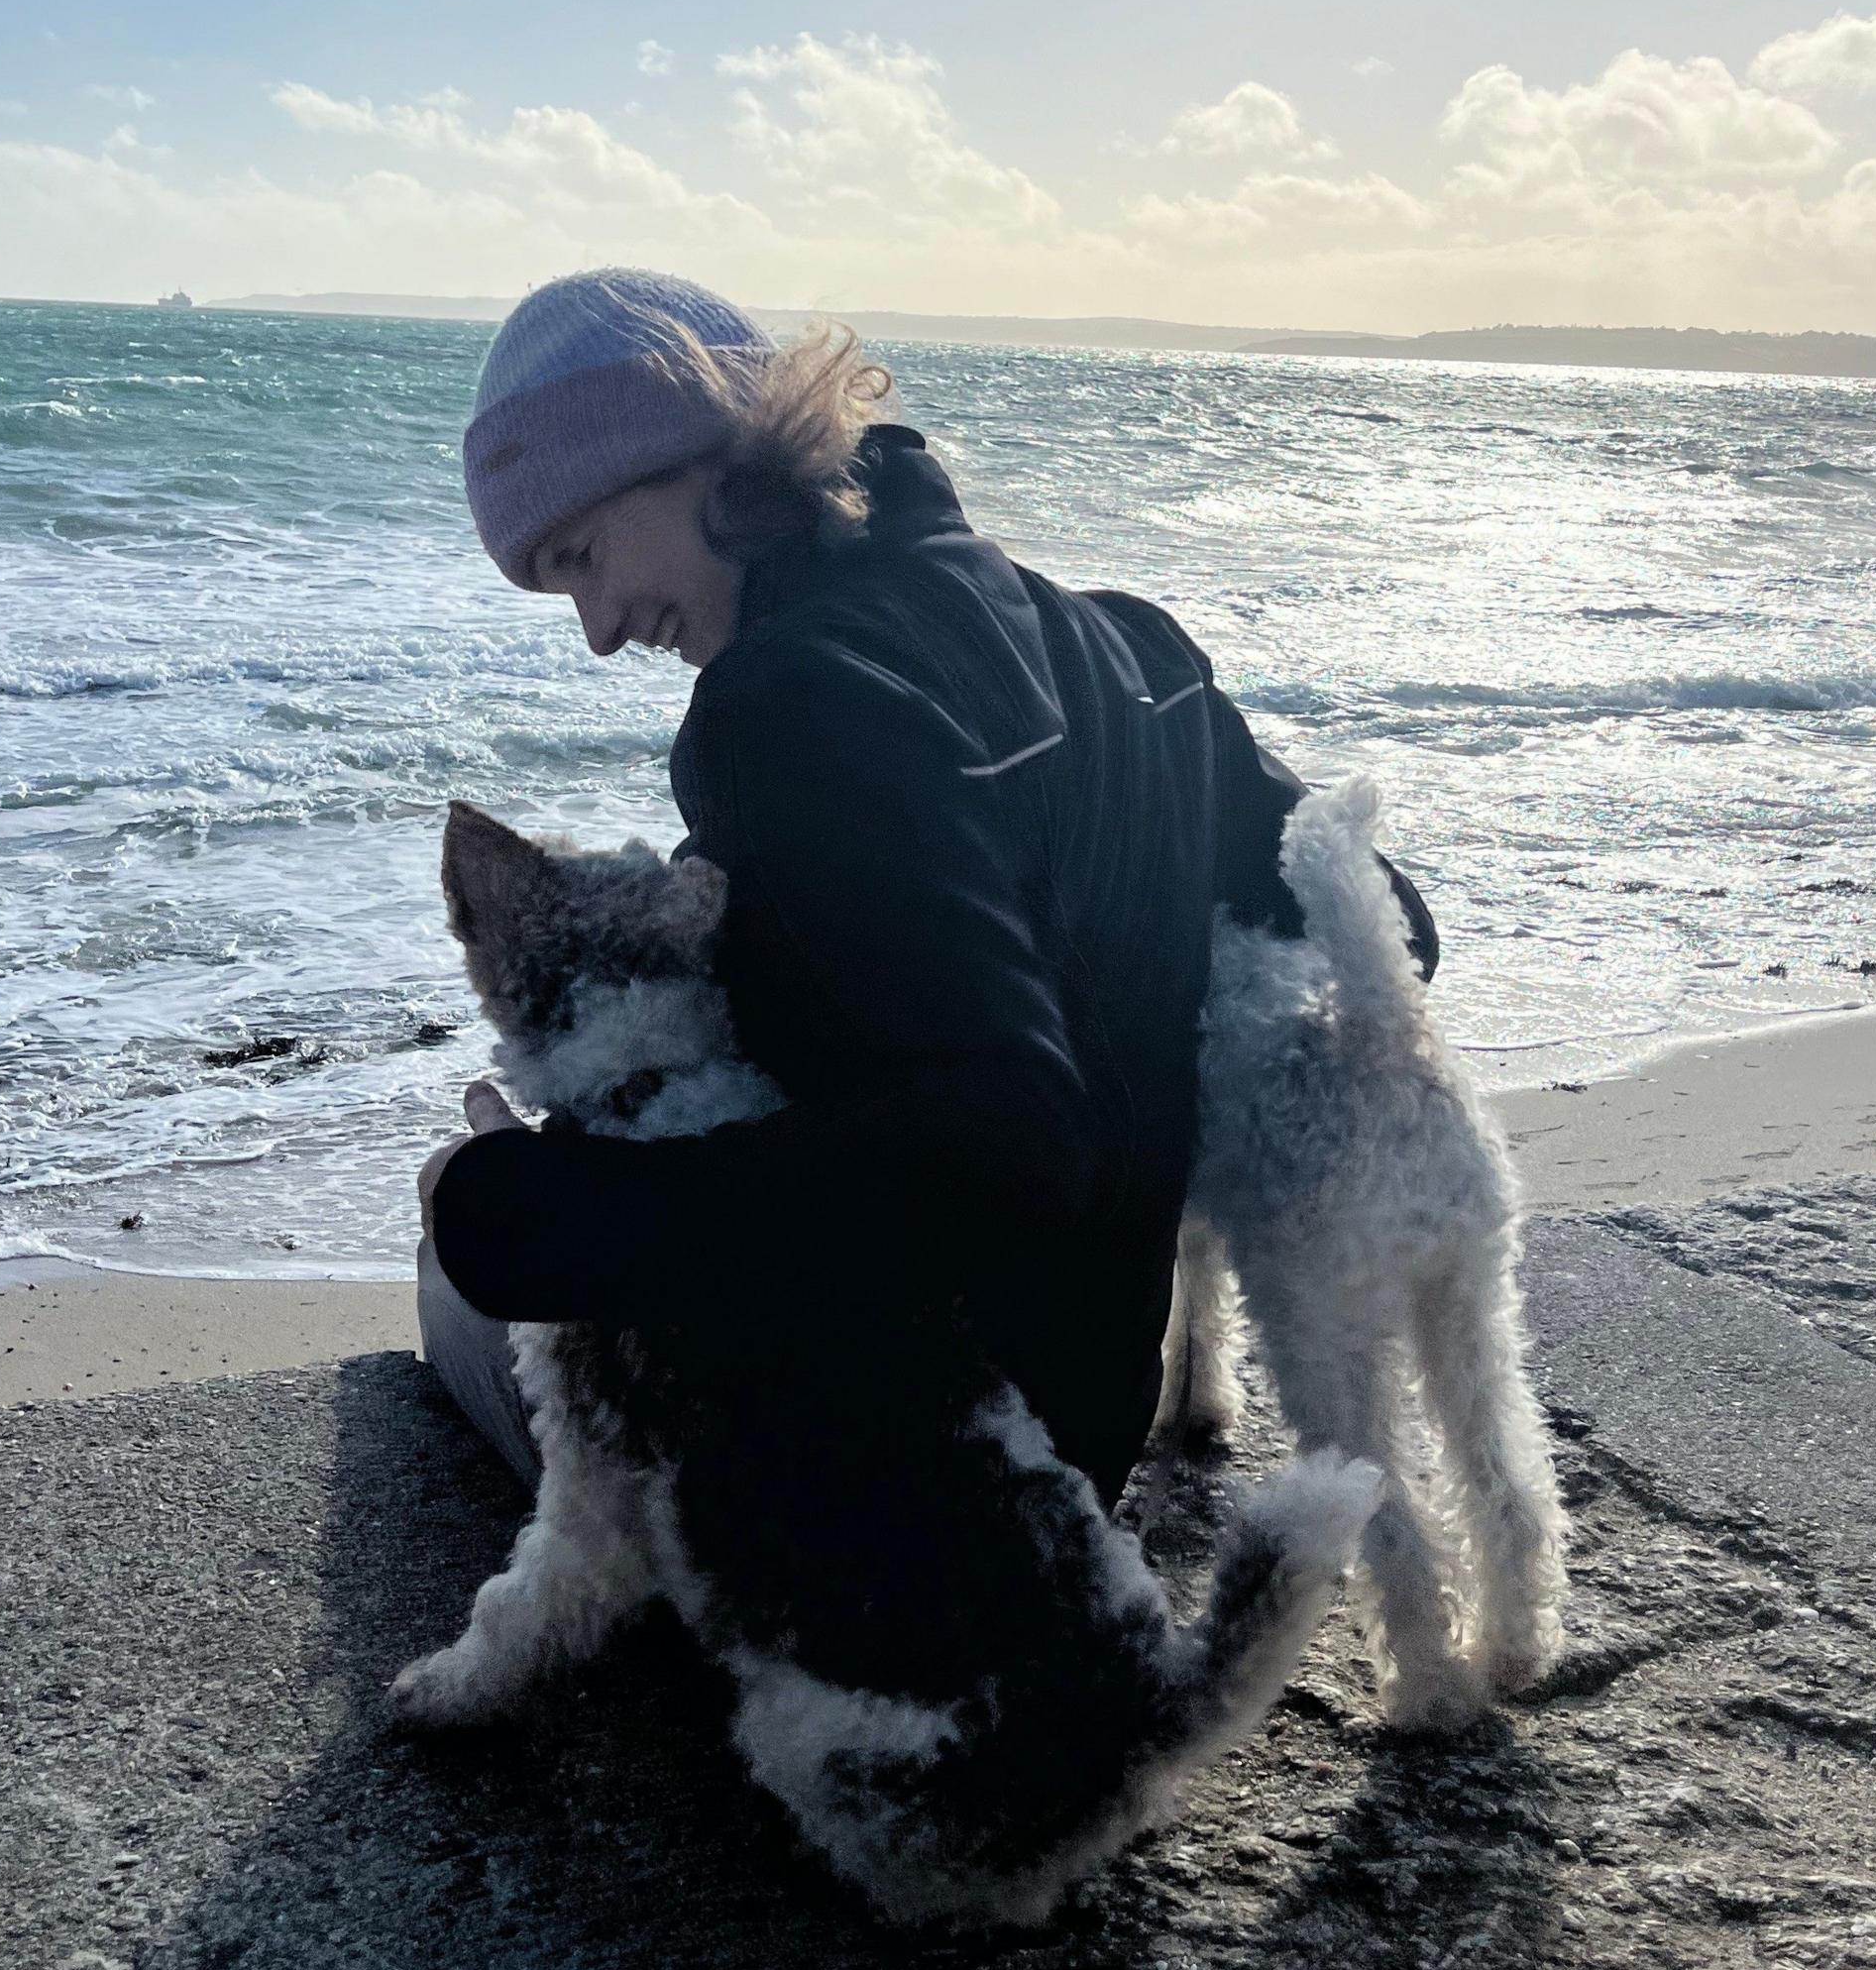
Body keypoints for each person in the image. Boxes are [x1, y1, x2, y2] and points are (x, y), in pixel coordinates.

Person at [417, 268, 1434, 1515]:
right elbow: (1381, 922)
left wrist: (515, 1209)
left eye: (580, 556)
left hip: (920, 1471)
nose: (598, 629)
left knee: (458, 1272)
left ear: (690, 453)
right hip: (1086, 1418)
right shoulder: (1122, 641)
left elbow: (991, 1151)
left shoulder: (780, 711)